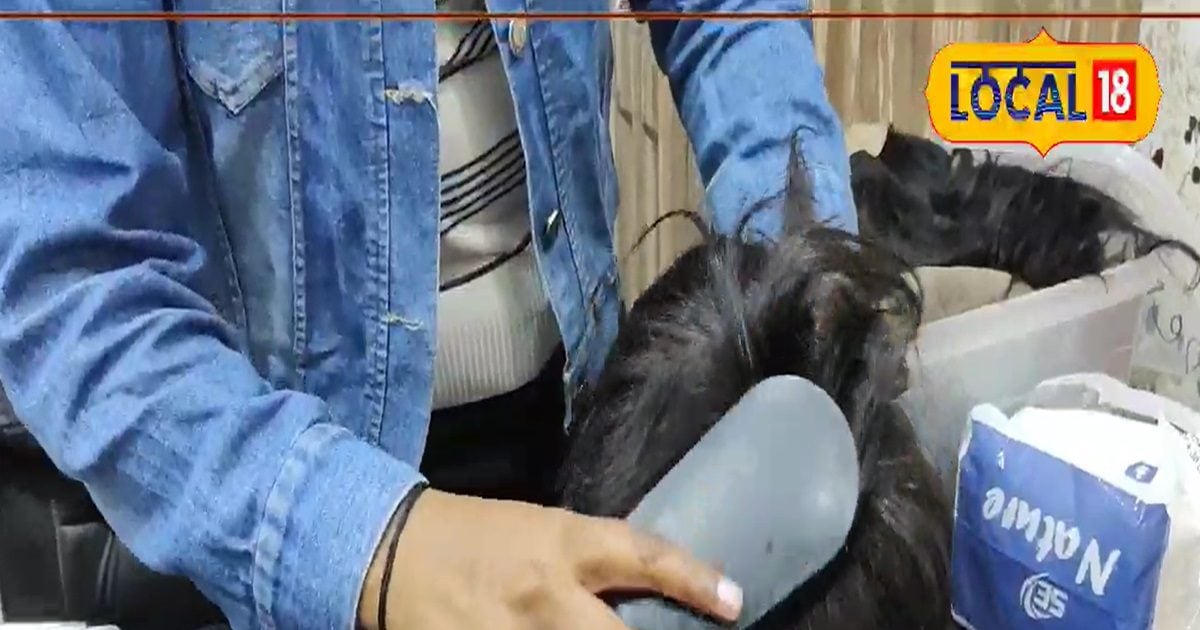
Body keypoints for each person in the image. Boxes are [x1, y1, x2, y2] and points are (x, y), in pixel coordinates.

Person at [0, 0, 856, 628]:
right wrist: (376, 546)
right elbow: (77, 282)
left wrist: (797, 288)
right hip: (281, 501)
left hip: (580, 425)